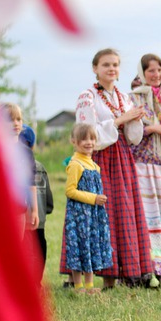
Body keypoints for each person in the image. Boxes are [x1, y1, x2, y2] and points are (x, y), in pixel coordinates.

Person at [68, 48, 153, 289]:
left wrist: (135, 120)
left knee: (123, 210)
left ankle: (126, 271)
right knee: (102, 212)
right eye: (106, 65)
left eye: (115, 64)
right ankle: (103, 275)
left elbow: (134, 138)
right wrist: (121, 120)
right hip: (98, 159)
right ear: (95, 68)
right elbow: (87, 132)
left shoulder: (124, 97)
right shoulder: (87, 97)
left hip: (122, 158)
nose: (112, 69)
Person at [129, 54, 161, 281]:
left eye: (159, 70)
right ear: (142, 73)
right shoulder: (134, 99)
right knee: (148, 218)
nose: (156, 75)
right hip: (143, 165)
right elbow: (130, 130)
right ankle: (147, 268)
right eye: (151, 71)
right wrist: (154, 129)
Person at [63, 123, 113, 294]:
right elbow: (70, 191)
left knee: (90, 245)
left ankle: (90, 286)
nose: (89, 142)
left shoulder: (93, 165)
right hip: (79, 215)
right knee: (78, 246)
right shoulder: (76, 164)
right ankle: (78, 286)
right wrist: (93, 198)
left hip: (92, 215)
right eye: (84, 139)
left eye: (92, 138)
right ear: (74, 142)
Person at [20, 125, 54, 283]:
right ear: (32, 145)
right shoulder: (40, 167)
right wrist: (47, 208)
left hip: (22, 217)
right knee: (39, 250)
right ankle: (37, 282)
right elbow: (48, 197)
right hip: (39, 219)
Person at [0, 103, 39, 239]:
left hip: (19, 211)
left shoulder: (26, 152)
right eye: (10, 120)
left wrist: (34, 210)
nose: (15, 123)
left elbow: (31, 183)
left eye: (18, 119)